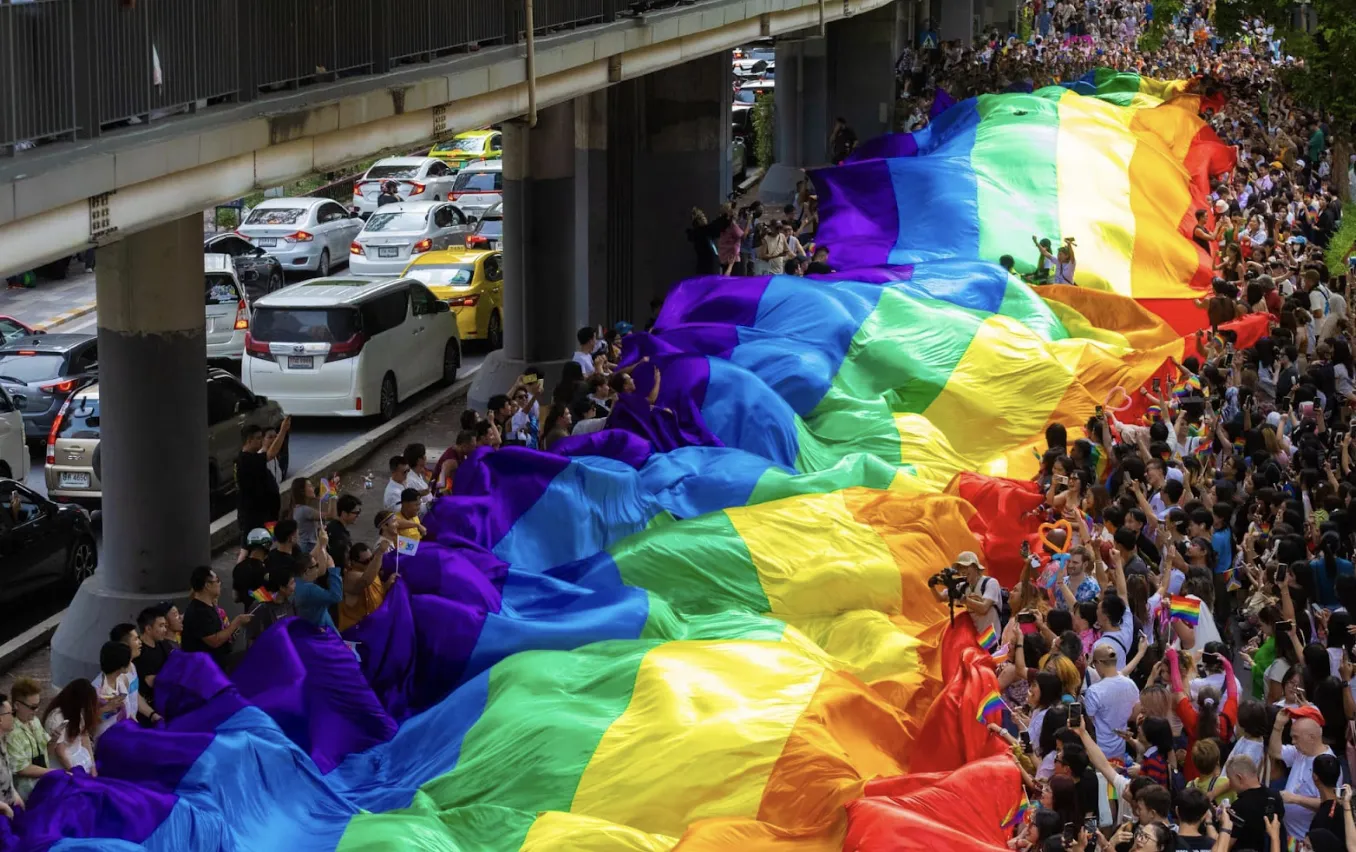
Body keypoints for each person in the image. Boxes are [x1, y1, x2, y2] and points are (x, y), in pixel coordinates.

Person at [1270, 707, 1342, 840]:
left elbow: (1331, 805)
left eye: (1296, 738)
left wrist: (1294, 799)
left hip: (1305, 840)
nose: (1293, 742)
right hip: (1289, 834)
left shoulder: (1328, 764)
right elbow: (1275, 752)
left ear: (1312, 738)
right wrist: (1278, 726)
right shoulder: (1300, 752)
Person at [181, 565, 251, 670]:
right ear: (207, 585)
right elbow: (215, 641)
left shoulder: (209, 606)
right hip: (205, 670)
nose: (219, 584)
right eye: (217, 580)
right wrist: (237, 622)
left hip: (218, 663)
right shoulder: (198, 611)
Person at [235, 419, 289, 543]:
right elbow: (270, 454)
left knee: (259, 548)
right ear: (249, 440)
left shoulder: (252, 458)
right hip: (255, 518)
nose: (262, 441)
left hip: (265, 515)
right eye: (259, 438)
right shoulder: (247, 460)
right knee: (255, 549)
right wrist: (283, 430)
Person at [1083, 644, 1139, 762]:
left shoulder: (1094, 691)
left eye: (1094, 664)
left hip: (1100, 751)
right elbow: (1136, 712)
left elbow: (1090, 720)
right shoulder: (1131, 684)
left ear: (1098, 662)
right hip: (1123, 748)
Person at [930, 551, 1001, 639]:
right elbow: (940, 598)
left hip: (993, 638)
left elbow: (983, 608)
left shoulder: (990, 583)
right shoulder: (962, 586)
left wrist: (962, 598)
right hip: (976, 638)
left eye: (966, 567)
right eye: (960, 568)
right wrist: (932, 585)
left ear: (975, 567)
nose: (963, 570)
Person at [1226, 753, 1288, 852]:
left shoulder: (1239, 807)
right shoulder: (1275, 797)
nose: (1230, 784)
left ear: (1239, 778)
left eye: (1230, 779)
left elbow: (1226, 845)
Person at [4, 678, 50, 800]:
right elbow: (22, 769)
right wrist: (53, 772)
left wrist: (55, 738)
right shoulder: (11, 732)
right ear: (17, 705)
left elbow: (47, 748)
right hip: (29, 791)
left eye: (38, 705)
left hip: (45, 781)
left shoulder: (34, 721)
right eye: (33, 707)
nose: (37, 710)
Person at [292, 527, 342, 633]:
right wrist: (333, 570)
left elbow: (310, 557)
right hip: (321, 633)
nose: (318, 567)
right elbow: (336, 597)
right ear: (306, 571)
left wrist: (321, 542)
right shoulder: (309, 590)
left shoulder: (296, 580)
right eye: (315, 566)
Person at [42, 679, 98, 775]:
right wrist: (76, 774)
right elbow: (60, 752)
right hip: (66, 765)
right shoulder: (56, 718)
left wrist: (93, 767)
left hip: (79, 757)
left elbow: (84, 737)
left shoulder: (77, 711)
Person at [339, 539, 396, 631]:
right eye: (366, 561)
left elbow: (378, 593)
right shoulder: (350, 577)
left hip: (374, 625)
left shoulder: (371, 572)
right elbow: (365, 581)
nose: (370, 563)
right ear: (353, 562)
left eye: (371, 559)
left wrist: (387, 584)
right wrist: (380, 553)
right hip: (356, 630)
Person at [134, 604, 173, 719]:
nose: (165, 630)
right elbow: (151, 681)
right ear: (148, 628)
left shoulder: (164, 645)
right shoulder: (137, 653)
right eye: (161, 626)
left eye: (165, 626)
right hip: (147, 711)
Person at [326, 494, 361, 569]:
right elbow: (343, 562)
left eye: (359, 512)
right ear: (344, 513)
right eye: (356, 513)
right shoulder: (341, 537)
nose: (358, 515)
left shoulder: (332, 525)